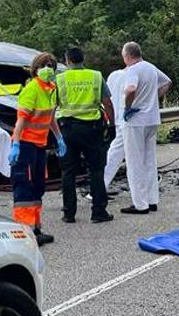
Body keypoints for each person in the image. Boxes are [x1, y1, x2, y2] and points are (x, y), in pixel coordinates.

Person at [8, 52, 65, 245]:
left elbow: (50, 118)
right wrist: (15, 144)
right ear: (36, 69)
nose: (48, 68)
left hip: (39, 145)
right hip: (24, 145)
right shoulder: (31, 89)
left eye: (51, 65)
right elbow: (21, 120)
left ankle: (35, 228)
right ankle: (24, 232)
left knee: (38, 186)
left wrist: (59, 138)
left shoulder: (51, 88)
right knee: (24, 187)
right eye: (44, 65)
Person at [57, 47, 114, 224]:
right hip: (92, 129)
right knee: (96, 170)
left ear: (67, 61)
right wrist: (112, 124)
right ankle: (98, 212)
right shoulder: (96, 76)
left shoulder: (59, 79)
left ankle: (69, 213)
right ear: (83, 59)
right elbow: (107, 103)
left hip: (68, 129)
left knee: (68, 172)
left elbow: (53, 105)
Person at [119, 42, 172, 215]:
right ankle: (152, 200)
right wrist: (152, 98)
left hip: (136, 120)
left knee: (135, 162)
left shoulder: (132, 70)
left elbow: (131, 89)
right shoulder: (150, 67)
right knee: (150, 160)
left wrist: (128, 107)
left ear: (127, 56)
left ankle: (140, 204)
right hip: (151, 118)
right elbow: (166, 82)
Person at [101, 67, 126, 194]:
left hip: (116, 120)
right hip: (127, 121)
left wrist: (110, 122)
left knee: (113, 155)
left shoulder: (113, 76)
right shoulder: (131, 76)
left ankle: (100, 188)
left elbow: (107, 101)